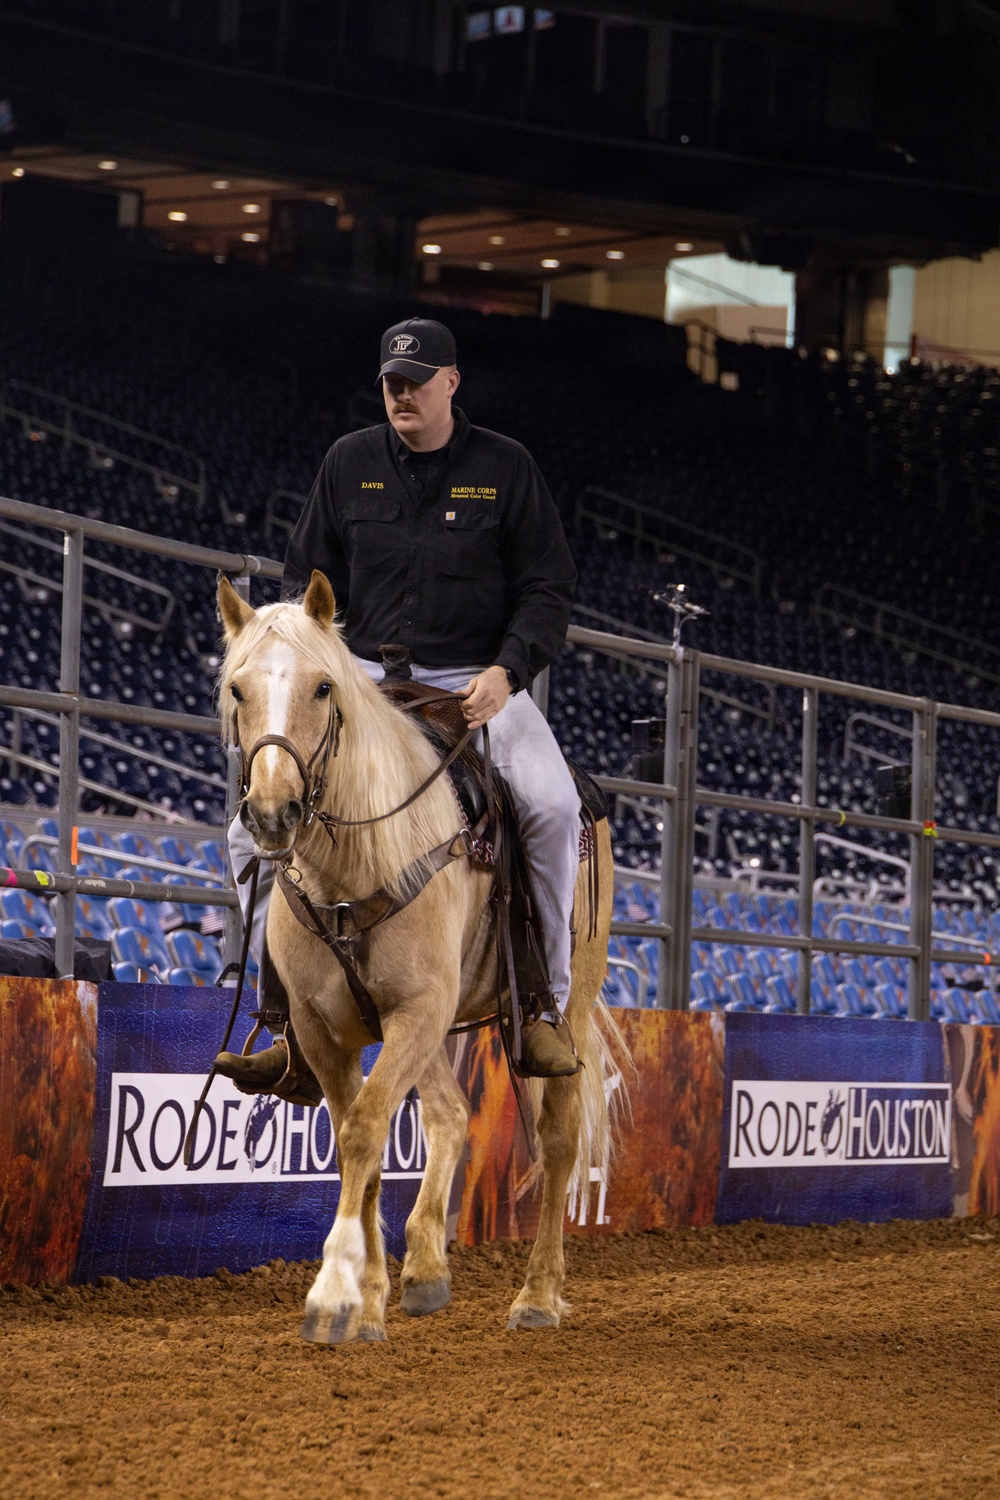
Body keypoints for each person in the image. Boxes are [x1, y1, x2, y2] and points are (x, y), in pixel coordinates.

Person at [221, 316, 581, 1080]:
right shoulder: (348, 462)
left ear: (451, 382)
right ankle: (282, 1018)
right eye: (391, 382)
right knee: (250, 830)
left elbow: (548, 588)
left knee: (552, 806)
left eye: (416, 382)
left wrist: (508, 671)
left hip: (473, 682)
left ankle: (544, 1003)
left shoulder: (506, 468)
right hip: (363, 682)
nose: (401, 394)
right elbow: (305, 580)